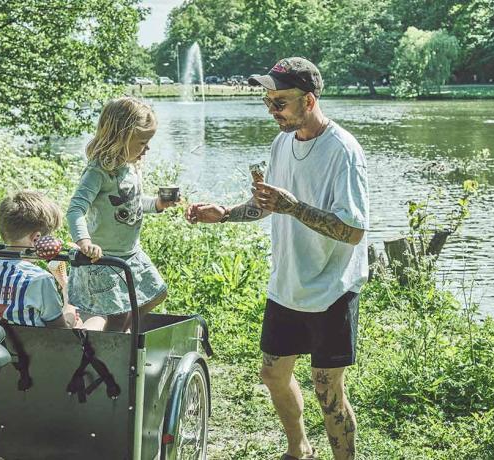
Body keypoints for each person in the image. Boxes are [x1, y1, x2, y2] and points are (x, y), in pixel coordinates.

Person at [185, 57, 369, 460]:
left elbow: (354, 232)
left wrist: (294, 207)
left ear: (309, 99)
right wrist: (228, 213)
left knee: (327, 389)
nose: (272, 110)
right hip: (288, 282)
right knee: (272, 374)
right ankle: (298, 450)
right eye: (268, 102)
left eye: (280, 102)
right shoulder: (282, 141)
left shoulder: (343, 151)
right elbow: (270, 204)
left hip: (331, 286)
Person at [66, 97, 179, 332]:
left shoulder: (129, 167)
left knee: (157, 293)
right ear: (120, 138)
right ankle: (109, 358)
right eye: (141, 142)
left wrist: (157, 204)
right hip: (104, 258)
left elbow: (133, 203)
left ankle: (121, 339)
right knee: (117, 317)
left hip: (131, 254)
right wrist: (84, 242)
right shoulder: (98, 171)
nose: (147, 149)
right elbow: (76, 209)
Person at [0, 190, 84, 329]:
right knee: (95, 320)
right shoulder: (40, 279)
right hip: (35, 349)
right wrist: (68, 296)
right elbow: (61, 333)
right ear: (36, 239)